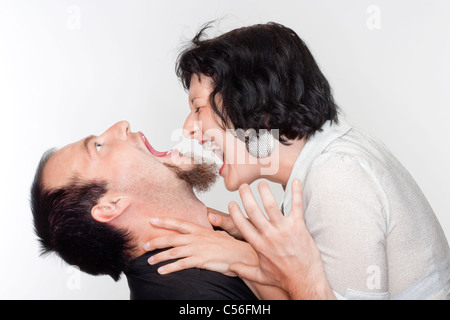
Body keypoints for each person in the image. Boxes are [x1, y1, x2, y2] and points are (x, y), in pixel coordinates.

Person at [143, 22, 450, 299]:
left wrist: (243, 258)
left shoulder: (337, 177)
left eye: (198, 108)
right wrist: (258, 244)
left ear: (256, 107)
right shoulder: (330, 158)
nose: (187, 128)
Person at [30, 121, 257, 300]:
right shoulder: (190, 297)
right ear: (111, 206)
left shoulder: (232, 243)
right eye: (98, 146)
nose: (122, 124)